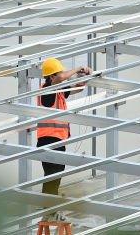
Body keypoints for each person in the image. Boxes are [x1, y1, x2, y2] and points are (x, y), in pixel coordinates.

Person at [37, 58, 91, 196]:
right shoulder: (47, 90)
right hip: (49, 141)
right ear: (51, 76)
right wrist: (78, 68)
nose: (62, 76)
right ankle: (47, 211)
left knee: (55, 177)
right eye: (58, 73)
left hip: (58, 141)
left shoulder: (58, 90)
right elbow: (61, 77)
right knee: (52, 176)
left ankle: (49, 211)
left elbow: (77, 88)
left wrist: (87, 75)